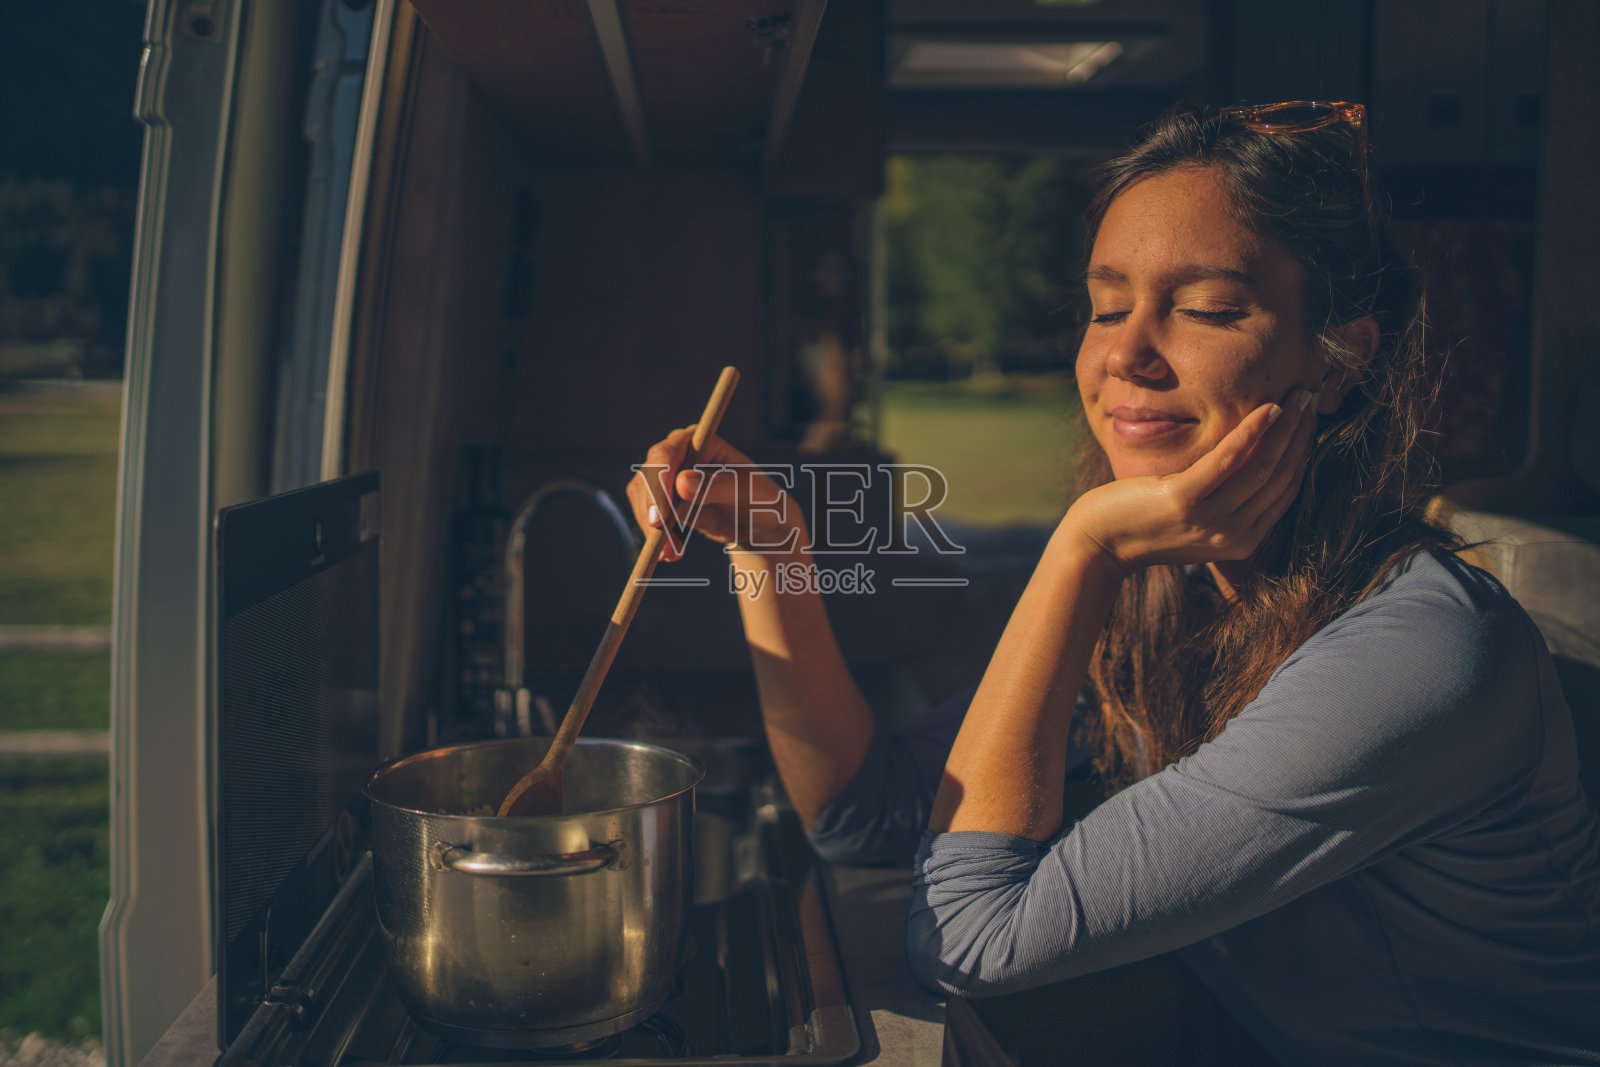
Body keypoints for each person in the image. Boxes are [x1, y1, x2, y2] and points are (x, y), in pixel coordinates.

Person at [627, 101, 1600, 1064]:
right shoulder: (1176, 590)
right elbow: (863, 811)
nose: (1125, 354)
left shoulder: (1415, 651)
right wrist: (770, 546)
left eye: (1208, 308)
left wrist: (1080, 547)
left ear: (1339, 357)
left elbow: (968, 934)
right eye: (1106, 305)